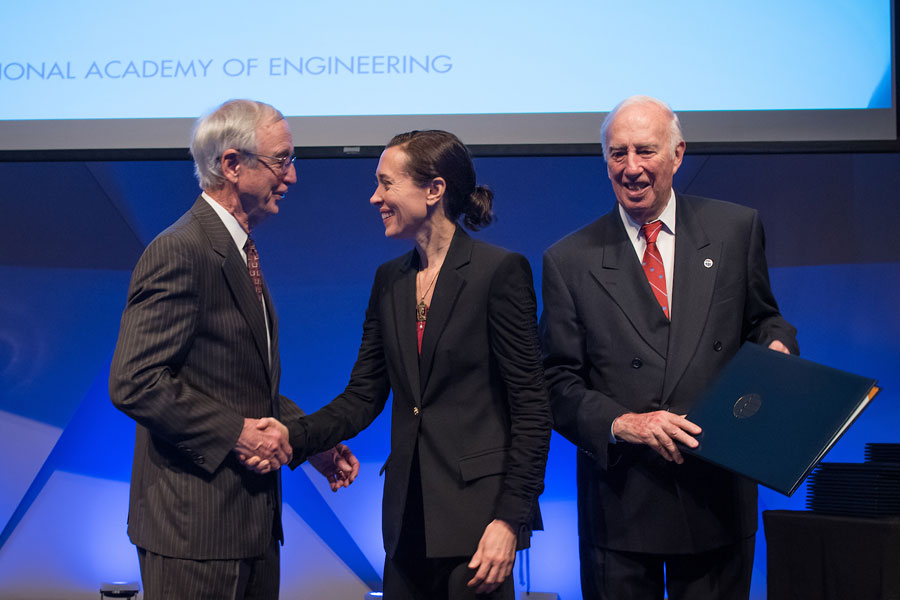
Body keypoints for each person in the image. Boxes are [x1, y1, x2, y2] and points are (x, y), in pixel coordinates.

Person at [539, 95, 799, 600]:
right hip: (621, 502)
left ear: (678, 155)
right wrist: (623, 423)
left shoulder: (734, 231)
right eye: (618, 154)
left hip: (716, 493)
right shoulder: (568, 260)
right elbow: (555, 382)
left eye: (645, 151)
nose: (631, 168)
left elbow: (766, 318)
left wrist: (777, 347)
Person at [109, 99, 358, 600]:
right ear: (231, 164)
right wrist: (238, 434)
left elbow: (241, 382)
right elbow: (135, 381)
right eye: (281, 160)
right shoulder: (181, 249)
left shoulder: (237, 249)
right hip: (194, 532)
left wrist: (304, 441)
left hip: (250, 528)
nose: (291, 177)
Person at [289, 130, 552, 599]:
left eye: (386, 184)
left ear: (434, 190)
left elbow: (531, 406)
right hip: (407, 522)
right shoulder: (389, 279)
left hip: (479, 525)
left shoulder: (499, 271)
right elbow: (363, 395)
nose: (375, 197)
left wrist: (510, 520)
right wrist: (293, 439)